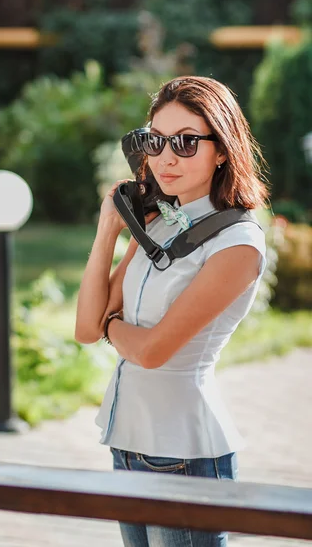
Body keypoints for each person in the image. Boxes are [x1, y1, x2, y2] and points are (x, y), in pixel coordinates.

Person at [75, 76, 269, 547]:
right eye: (155, 141)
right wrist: (108, 232)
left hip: (185, 452)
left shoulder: (237, 243)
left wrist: (112, 326)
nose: (164, 157)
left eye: (185, 142)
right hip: (127, 441)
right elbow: (85, 327)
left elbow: (154, 351)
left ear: (221, 149)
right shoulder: (158, 223)